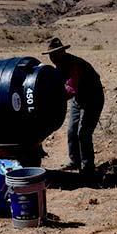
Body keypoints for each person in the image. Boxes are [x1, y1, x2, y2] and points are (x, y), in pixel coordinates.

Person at [43, 37, 104, 175]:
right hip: (79, 99)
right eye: (50, 54)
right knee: (71, 131)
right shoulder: (59, 66)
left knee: (83, 133)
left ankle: (88, 166)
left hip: (93, 98)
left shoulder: (73, 65)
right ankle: (74, 161)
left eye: (55, 53)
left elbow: (70, 90)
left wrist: (52, 99)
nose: (52, 57)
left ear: (62, 52)